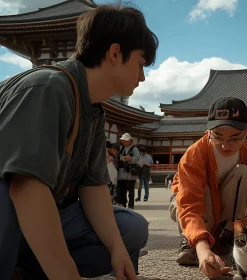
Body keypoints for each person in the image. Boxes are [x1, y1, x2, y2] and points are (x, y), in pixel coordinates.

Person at [0, 3, 158, 280]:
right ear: (115, 52)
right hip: (10, 208)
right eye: (140, 64)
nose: (142, 77)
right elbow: (26, 187)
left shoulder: (94, 109)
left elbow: (94, 186)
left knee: (130, 228)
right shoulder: (47, 88)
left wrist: (117, 249)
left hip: (40, 215)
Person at [169, 97, 247, 279]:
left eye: (236, 138)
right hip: (196, 206)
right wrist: (202, 248)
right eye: (218, 136)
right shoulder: (194, 154)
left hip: (231, 208)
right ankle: (191, 241)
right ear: (208, 131)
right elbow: (189, 203)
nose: (225, 145)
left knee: (246, 173)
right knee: (197, 191)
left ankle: (228, 235)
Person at [117, 133, 141, 209]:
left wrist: (130, 159)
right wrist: (122, 158)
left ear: (130, 141)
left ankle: (131, 205)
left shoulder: (134, 149)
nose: (123, 142)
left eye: (125, 141)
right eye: (123, 141)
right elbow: (119, 157)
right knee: (122, 189)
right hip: (122, 172)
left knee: (131, 190)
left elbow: (137, 158)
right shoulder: (122, 148)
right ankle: (123, 203)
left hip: (130, 173)